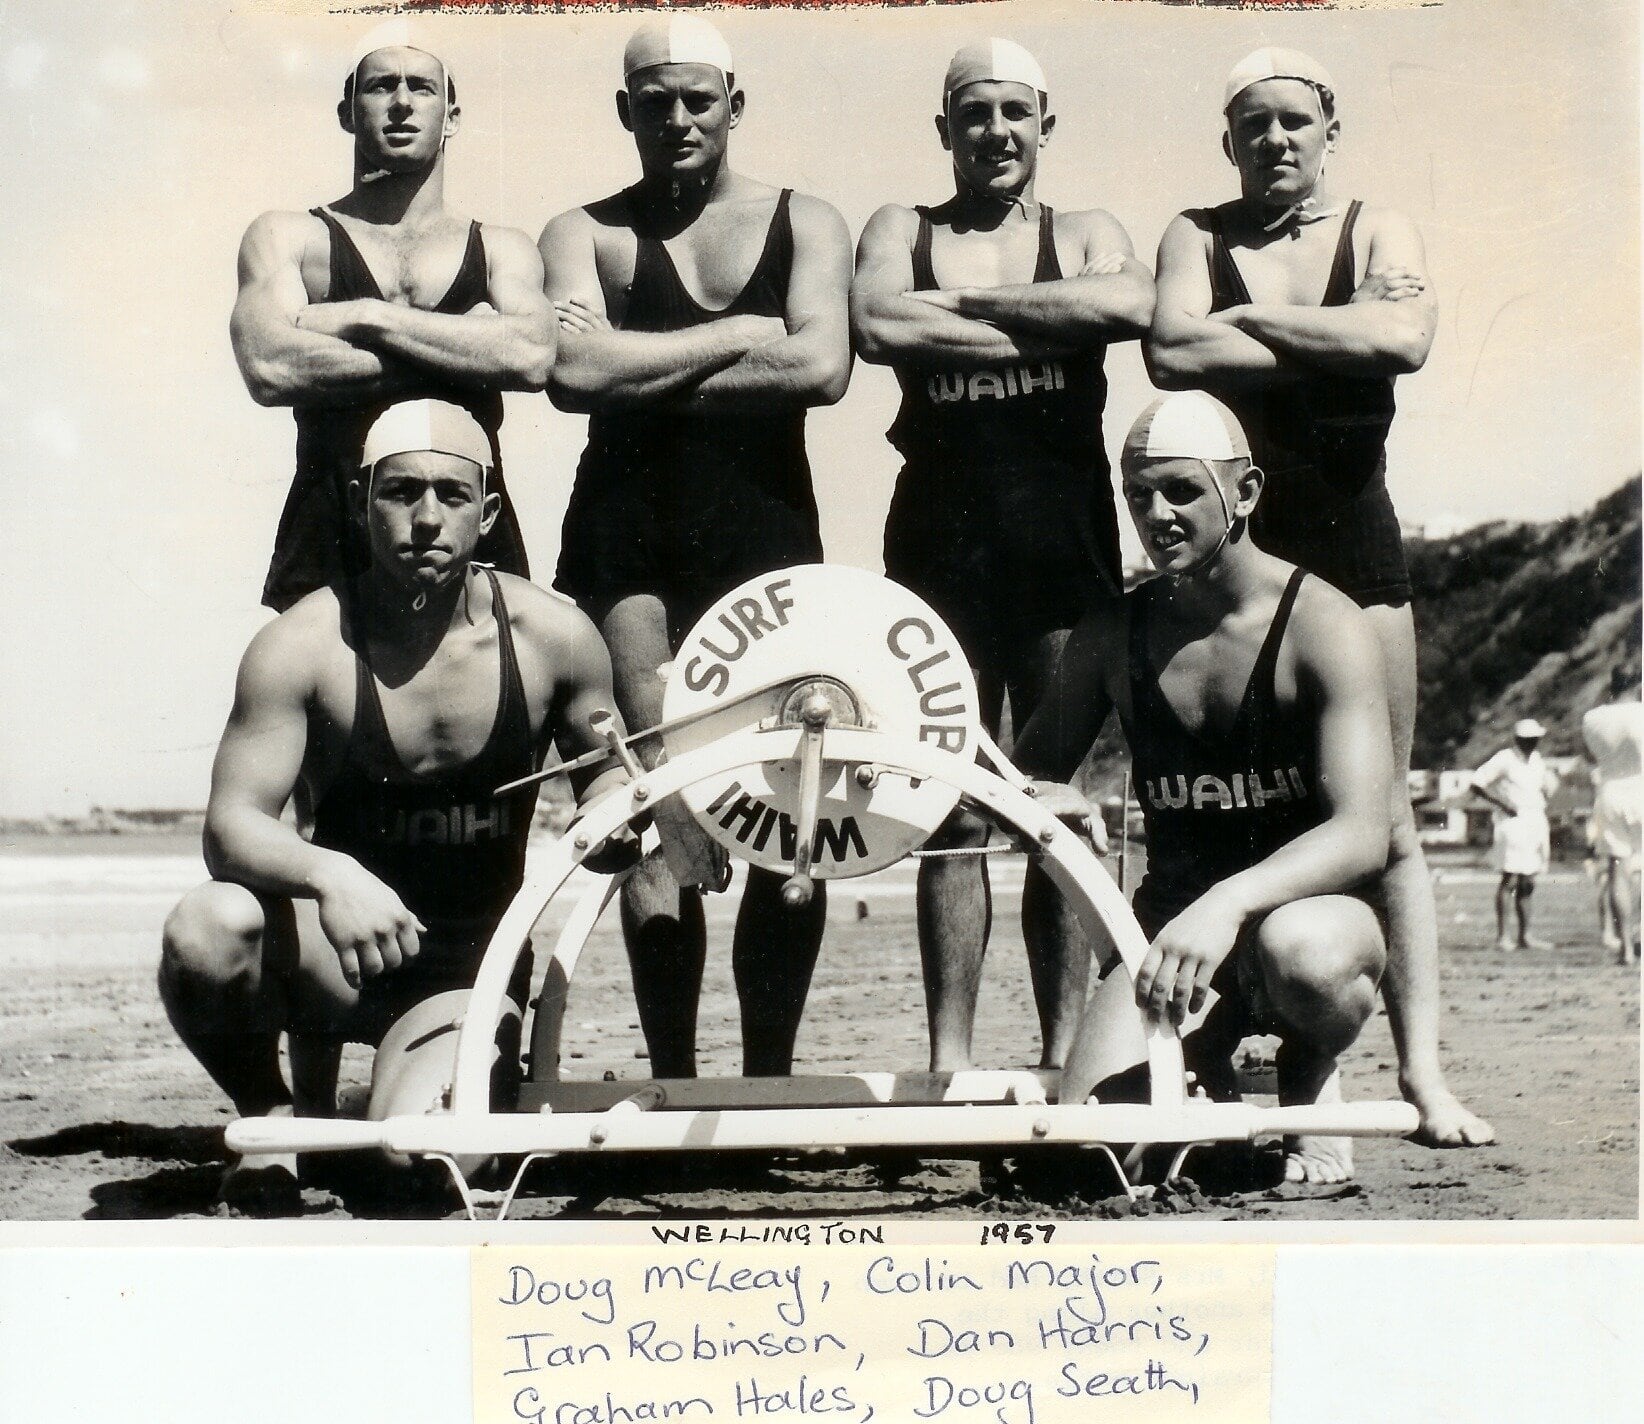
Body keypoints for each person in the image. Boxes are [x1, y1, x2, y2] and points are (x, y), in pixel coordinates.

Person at [159, 400, 635, 1207]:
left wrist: (623, 819)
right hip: (336, 959)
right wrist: (331, 875)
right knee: (207, 929)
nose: (425, 518)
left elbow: (609, 781)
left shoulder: (557, 636)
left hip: (465, 970)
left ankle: (400, 1093)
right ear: (358, 501)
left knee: (421, 1164)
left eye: (451, 496)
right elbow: (230, 826)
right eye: (400, 492)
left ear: (487, 513)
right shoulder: (303, 643)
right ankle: (270, 1115)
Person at [1145, 47, 1492, 1147]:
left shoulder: (1378, 231)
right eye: (1255, 125)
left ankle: (1426, 1071)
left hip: (1352, 532)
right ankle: (1295, 1060)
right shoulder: (1194, 234)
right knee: (1248, 788)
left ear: (1329, 125)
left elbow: (1405, 336)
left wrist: (1243, 333)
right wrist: (1328, 347)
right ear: (1229, 139)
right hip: (1238, 549)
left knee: (1384, 816)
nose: (1276, 141)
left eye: (1296, 121)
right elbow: (1165, 348)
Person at [537, 16, 853, 1078]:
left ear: (734, 104)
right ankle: (672, 1076)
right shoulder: (582, 229)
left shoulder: (807, 218)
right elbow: (571, 377)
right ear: (626, 110)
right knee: (654, 794)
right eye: (656, 101)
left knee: (783, 808)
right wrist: (736, 333)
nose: (677, 119)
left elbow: (821, 369)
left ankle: (766, 1075)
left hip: (765, 533)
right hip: (626, 542)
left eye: (698, 99)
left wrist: (639, 360)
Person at [850, 39, 1154, 1072]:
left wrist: (963, 313)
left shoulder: (1091, 229)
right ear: (946, 129)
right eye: (974, 114)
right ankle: (949, 1060)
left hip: (1061, 544)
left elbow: (1125, 307)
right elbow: (880, 323)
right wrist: (1043, 326)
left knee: (1051, 799)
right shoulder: (905, 226)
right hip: (942, 542)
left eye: (1015, 113)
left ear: (1045, 125)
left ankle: (1066, 1055)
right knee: (946, 796)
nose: (996, 132)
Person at [1015, 393, 1394, 1184]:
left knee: (1308, 955)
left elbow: (1364, 832)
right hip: (1175, 940)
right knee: (1098, 1155)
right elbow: (1023, 774)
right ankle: (1214, 1073)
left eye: (1181, 490)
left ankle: (1311, 1063)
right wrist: (1044, 798)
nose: (1157, 514)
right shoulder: (1112, 632)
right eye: (1137, 495)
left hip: (1294, 921)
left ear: (1245, 494)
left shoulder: (1325, 624)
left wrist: (1229, 904)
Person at [232, 34, 555, 612]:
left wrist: (365, 316)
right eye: (381, 86)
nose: (401, 103)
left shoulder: (501, 247)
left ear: (451, 116)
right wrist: (466, 352)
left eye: (421, 87)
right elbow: (270, 367)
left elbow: (530, 356)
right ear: (347, 112)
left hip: (469, 540)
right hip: (330, 542)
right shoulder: (291, 236)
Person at [1472, 721, 1560, 951]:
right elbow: (1477, 783)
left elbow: (1544, 788)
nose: (1534, 743)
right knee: (1509, 878)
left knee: (1528, 880)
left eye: (1536, 739)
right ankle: (1503, 937)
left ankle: (1525, 935)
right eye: (1530, 739)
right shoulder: (1504, 758)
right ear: (1519, 739)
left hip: (1535, 820)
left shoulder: (1538, 761)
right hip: (1512, 822)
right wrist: (1502, 803)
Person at [1582, 669, 1642, 964]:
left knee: (1618, 868)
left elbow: (1589, 755)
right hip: (1640, 786)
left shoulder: (1592, 718)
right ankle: (1639, 936)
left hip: (1610, 793)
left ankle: (1626, 948)